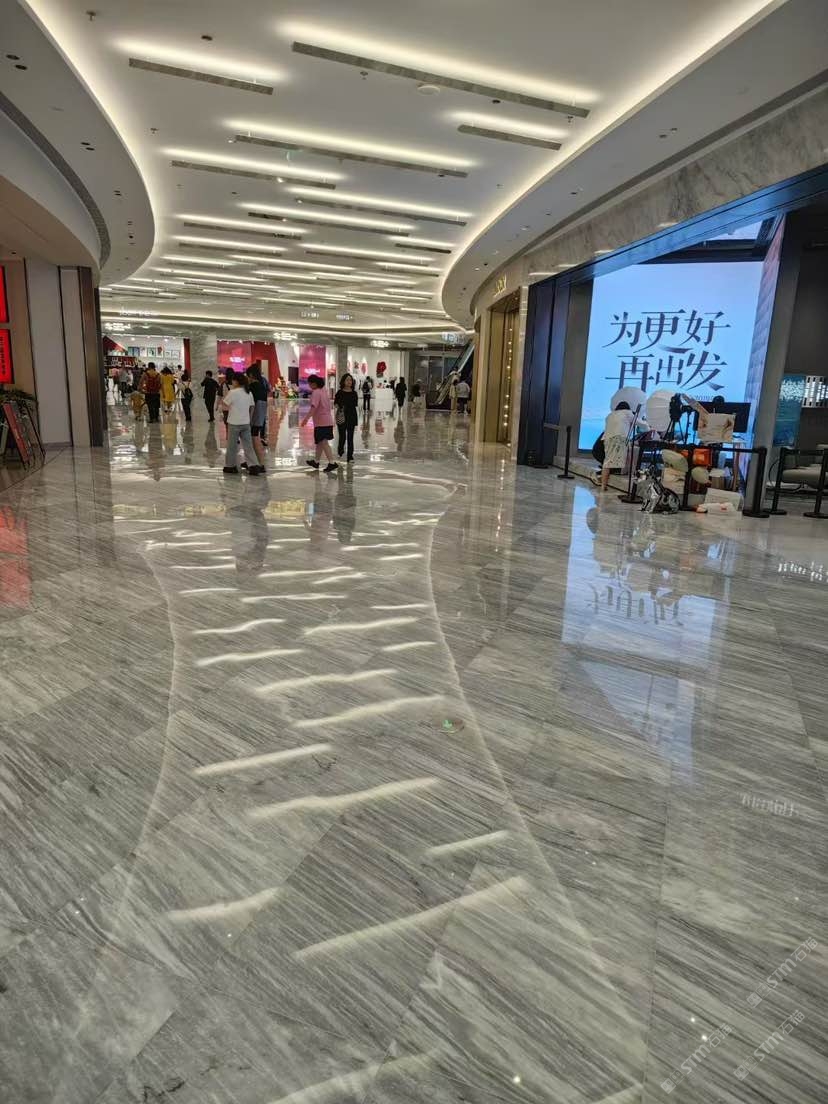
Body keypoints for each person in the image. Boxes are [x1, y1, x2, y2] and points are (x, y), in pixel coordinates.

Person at [597, 401, 647, 492]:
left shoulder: (610, 415)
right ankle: (632, 479)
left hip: (607, 439)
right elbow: (640, 423)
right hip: (619, 438)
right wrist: (650, 427)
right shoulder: (627, 413)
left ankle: (603, 486)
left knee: (607, 462)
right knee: (616, 460)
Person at [221, 375, 263, 475]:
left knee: (232, 446)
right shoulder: (249, 393)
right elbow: (252, 407)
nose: (232, 383)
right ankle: (253, 465)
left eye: (233, 381)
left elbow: (224, 404)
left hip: (234, 423)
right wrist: (249, 418)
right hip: (245, 423)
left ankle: (230, 466)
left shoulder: (233, 392)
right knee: (248, 446)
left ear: (236, 382)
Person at [301, 374, 338, 473]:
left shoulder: (316, 392)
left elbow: (314, 407)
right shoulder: (323, 391)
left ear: (313, 383)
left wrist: (306, 419)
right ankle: (316, 461)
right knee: (320, 442)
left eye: (309, 383)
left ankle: (332, 463)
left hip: (322, 422)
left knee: (324, 442)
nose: (309, 386)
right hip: (327, 421)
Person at [246, 364, 269, 470]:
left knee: (254, 438)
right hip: (261, 416)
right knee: (255, 438)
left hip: (254, 416)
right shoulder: (262, 385)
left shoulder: (253, 387)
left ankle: (260, 464)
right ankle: (254, 462)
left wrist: (249, 418)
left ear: (251, 375)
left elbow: (252, 405)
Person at [334, 372, 359, 463]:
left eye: (350, 380)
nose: (349, 382)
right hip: (342, 416)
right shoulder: (339, 392)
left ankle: (350, 456)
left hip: (351, 416)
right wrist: (339, 406)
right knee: (342, 436)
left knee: (350, 437)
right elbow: (335, 403)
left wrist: (345, 405)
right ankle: (340, 451)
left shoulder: (354, 393)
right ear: (343, 381)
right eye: (347, 380)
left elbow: (355, 404)